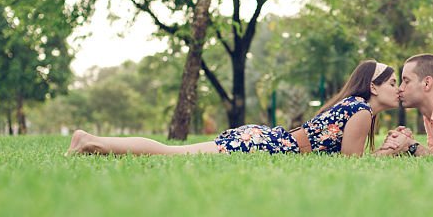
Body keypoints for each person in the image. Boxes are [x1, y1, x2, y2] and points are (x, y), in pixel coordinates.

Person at [67, 60, 404, 157]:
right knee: (172, 154)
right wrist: (392, 152)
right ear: (372, 86)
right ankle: (90, 141)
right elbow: (351, 166)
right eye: (392, 83)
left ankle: (93, 144)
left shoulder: (354, 106)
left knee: (175, 153)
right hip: (264, 145)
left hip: (265, 139)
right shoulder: (360, 111)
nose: (398, 89)